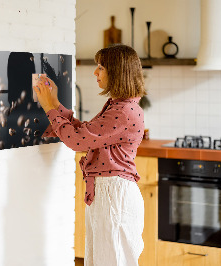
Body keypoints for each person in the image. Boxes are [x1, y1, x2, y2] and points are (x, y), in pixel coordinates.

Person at [34, 44, 146, 266]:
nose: (95, 72)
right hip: (109, 193)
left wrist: (49, 108)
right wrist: (55, 103)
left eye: (101, 67)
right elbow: (85, 133)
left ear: (117, 72)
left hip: (114, 195)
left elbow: (77, 141)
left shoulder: (123, 111)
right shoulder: (119, 106)